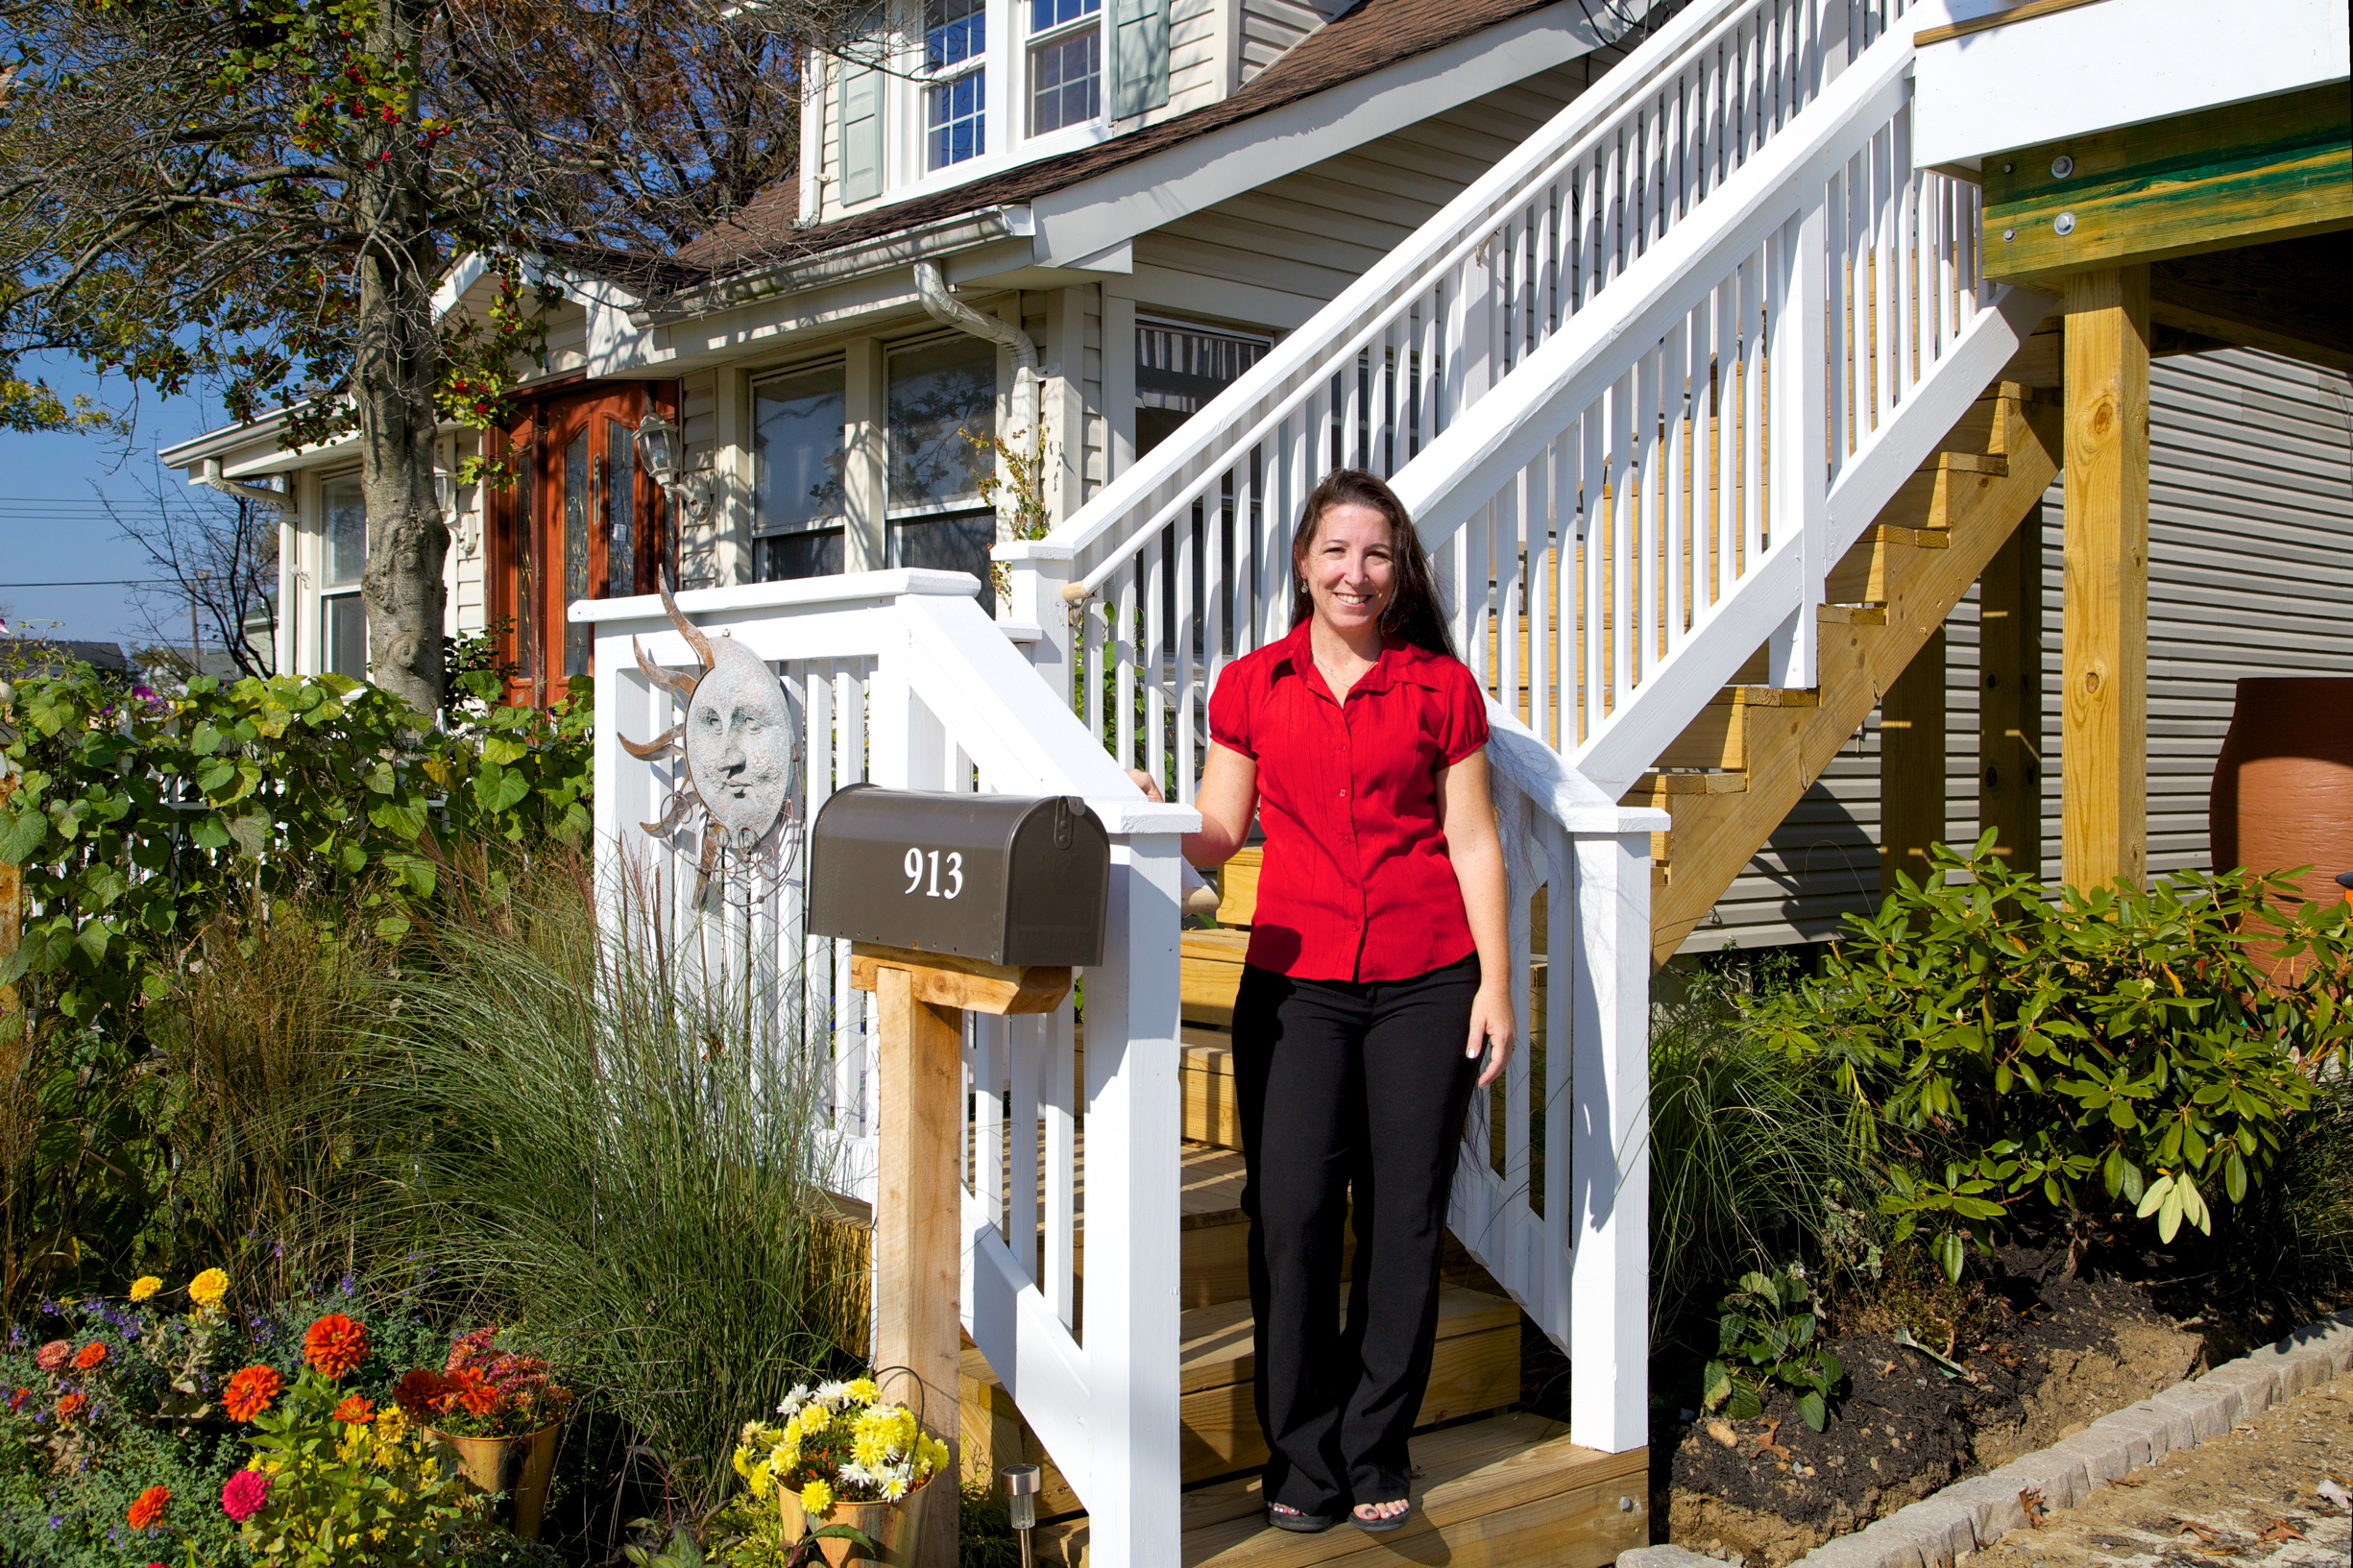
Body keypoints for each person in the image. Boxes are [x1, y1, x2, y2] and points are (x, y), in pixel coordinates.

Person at [1130, 469, 1514, 1534]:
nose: (1355, 571)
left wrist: (1493, 983)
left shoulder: (1440, 690)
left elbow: (1472, 840)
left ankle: (1374, 1444)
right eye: (1335, 551)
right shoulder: (1251, 685)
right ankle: (1300, 1455)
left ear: (1397, 576)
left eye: (1376, 554)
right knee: (1291, 1214)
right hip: (1294, 982)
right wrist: (1152, 818)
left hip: (1425, 978)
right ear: (1302, 562)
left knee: (1401, 1220)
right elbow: (1218, 829)